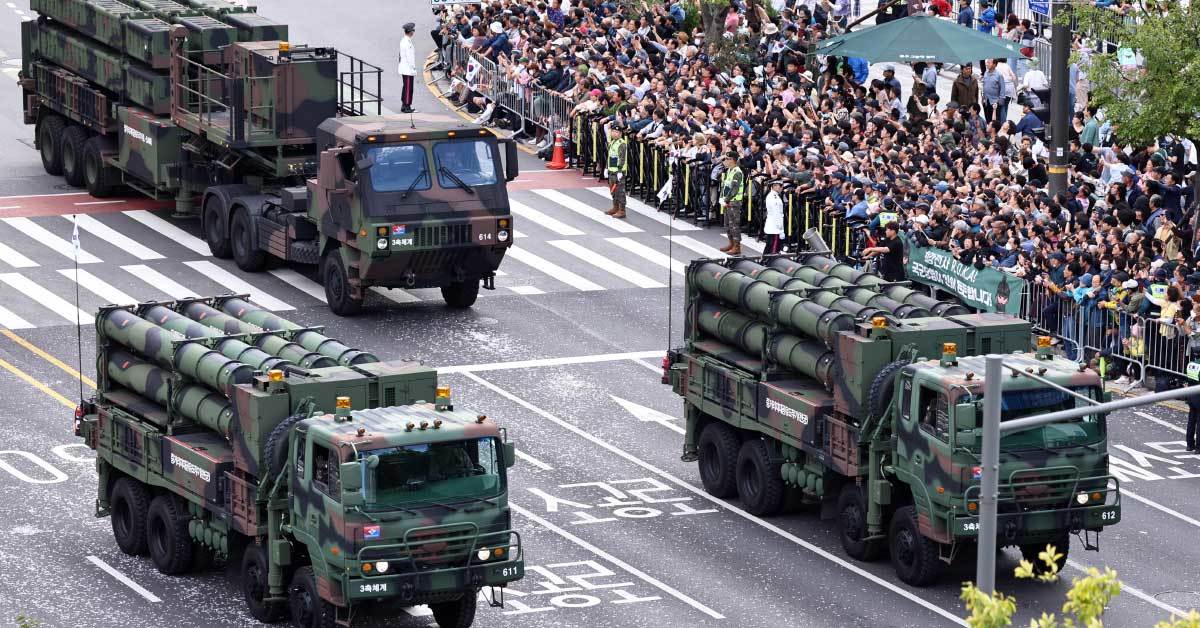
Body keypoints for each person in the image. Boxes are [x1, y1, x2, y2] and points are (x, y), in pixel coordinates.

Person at [719, 152, 745, 255]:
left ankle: (737, 246)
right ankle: (731, 243)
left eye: (727, 158)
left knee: (734, 224)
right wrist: (722, 198)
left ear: (733, 160)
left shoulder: (737, 172)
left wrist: (726, 200)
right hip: (728, 201)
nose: (725, 160)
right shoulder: (730, 170)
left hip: (734, 202)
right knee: (727, 224)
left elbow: (735, 189)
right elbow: (725, 186)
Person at [605, 125, 629, 218]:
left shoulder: (621, 143)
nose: (614, 133)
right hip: (612, 170)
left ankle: (622, 210)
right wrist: (607, 168)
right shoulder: (612, 142)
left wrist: (619, 171)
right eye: (613, 131)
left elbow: (622, 158)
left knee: (620, 191)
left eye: (617, 132)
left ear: (620, 134)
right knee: (613, 190)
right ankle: (615, 207)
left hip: (619, 172)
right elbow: (611, 156)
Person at [399, 22, 417, 113]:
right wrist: (413, 68)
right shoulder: (407, 42)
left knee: (406, 87)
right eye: (413, 30)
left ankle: (404, 104)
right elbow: (409, 57)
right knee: (408, 88)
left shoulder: (404, 40)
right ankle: (406, 105)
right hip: (408, 69)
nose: (413, 32)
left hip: (404, 67)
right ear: (410, 31)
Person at [764, 179, 785, 254]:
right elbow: (777, 213)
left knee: (770, 245)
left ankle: (765, 260)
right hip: (775, 226)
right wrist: (780, 229)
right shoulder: (774, 197)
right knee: (774, 249)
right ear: (774, 186)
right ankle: (769, 261)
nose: (781, 188)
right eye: (780, 186)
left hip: (773, 225)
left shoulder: (774, 196)